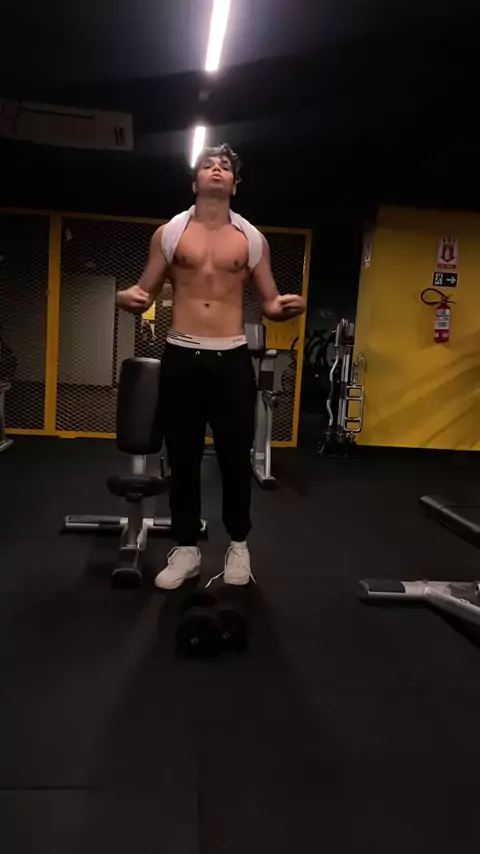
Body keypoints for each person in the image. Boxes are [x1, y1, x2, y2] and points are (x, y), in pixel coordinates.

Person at [116, 144, 305, 590]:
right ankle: (186, 549)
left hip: (231, 356)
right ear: (195, 182)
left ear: (234, 185)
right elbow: (143, 291)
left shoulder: (251, 239)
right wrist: (125, 298)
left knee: (235, 459)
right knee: (182, 459)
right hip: (181, 355)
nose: (217, 169)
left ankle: (238, 545)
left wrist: (284, 308)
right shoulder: (170, 233)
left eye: (224, 167)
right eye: (208, 165)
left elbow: (269, 302)